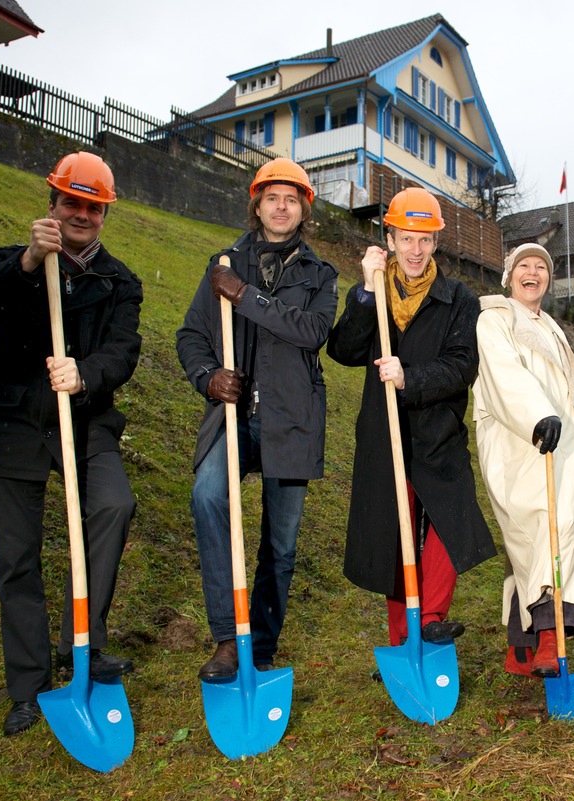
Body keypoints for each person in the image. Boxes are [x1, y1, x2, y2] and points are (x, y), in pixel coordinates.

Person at [0, 152, 141, 737]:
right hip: (12, 424)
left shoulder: (120, 281)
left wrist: (84, 374)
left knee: (112, 505)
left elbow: (123, 352)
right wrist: (32, 261)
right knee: (17, 557)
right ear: (52, 201)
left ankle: (80, 642)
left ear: (104, 213)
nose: (81, 214)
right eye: (71, 202)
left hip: (84, 423)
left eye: (93, 206)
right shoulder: (15, 264)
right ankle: (29, 685)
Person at [176, 157, 338, 679]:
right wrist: (207, 377)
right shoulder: (225, 262)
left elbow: (312, 331)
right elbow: (191, 336)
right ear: (258, 204)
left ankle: (260, 647)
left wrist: (245, 296)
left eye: (292, 199)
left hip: (292, 419)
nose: (282, 206)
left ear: (304, 209)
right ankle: (228, 637)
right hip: (234, 415)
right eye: (273, 198)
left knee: (282, 543)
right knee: (207, 494)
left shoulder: (319, 274)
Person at [326, 187, 494, 648]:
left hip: (437, 431)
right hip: (385, 434)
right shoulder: (373, 290)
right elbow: (343, 350)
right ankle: (403, 639)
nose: (415, 250)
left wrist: (410, 377)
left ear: (436, 242)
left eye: (424, 239)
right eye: (406, 239)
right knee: (394, 534)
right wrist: (364, 292)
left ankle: (433, 617)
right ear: (391, 238)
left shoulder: (458, 298)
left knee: (446, 522)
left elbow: (463, 365)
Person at [473, 243, 574, 677]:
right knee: (542, 536)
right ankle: (549, 639)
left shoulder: (555, 332)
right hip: (521, 447)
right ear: (509, 275)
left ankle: (521, 651)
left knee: (541, 544)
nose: (533, 272)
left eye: (541, 267)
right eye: (524, 265)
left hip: (564, 458)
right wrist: (538, 417)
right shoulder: (494, 319)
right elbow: (504, 376)